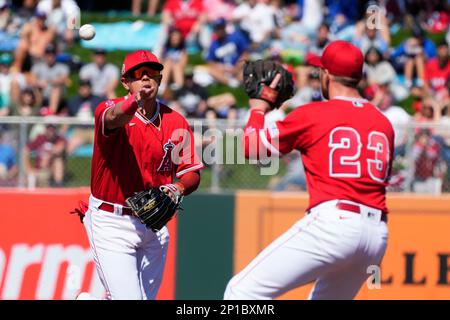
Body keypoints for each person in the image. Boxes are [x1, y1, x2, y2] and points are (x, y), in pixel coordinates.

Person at [225, 41, 394, 300]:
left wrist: (259, 109)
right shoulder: (383, 123)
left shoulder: (315, 114)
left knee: (242, 292)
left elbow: (251, 148)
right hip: (376, 235)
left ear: (327, 75)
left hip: (335, 224)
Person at [78, 49, 204, 300]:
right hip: (111, 221)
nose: (147, 78)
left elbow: (191, 174)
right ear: (126, 81)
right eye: (139, 74)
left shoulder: (175, 121)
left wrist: (177, 188)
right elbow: (113, 118)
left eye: (153, 73)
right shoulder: (109, 108)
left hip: (154, 225)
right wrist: (134, 101)